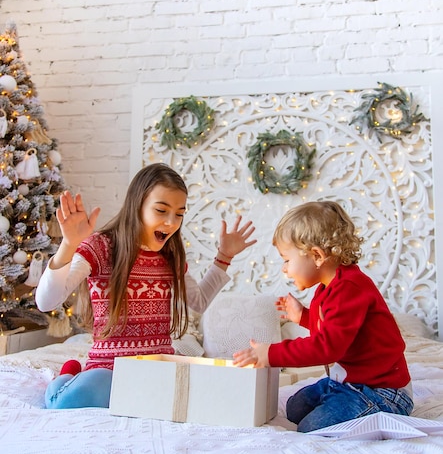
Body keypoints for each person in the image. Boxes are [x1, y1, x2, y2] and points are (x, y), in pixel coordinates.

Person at [36, 162, 256, 409]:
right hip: (111, 369)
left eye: (180, 214)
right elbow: (47, 301)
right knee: (59, 403)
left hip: (158, 368)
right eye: (161, 210)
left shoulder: (171, 256)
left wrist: (224, 257)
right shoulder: (101, 247)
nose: (172, 222)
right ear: (137, 205)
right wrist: (69, 244)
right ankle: (70, 371)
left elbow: (199, 301)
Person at [233, 200, 413, 433]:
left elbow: (328, 347)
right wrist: (304, 317)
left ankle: (380, 414)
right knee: (295, 407)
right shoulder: (326, 289)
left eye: (287, 260)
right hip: (348, 383)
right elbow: (338, 330)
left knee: (312, 427)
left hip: (382, 390)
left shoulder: (351, 288)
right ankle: (343, 400)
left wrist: (270, 353)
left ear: (316, 255)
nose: (284, 269)